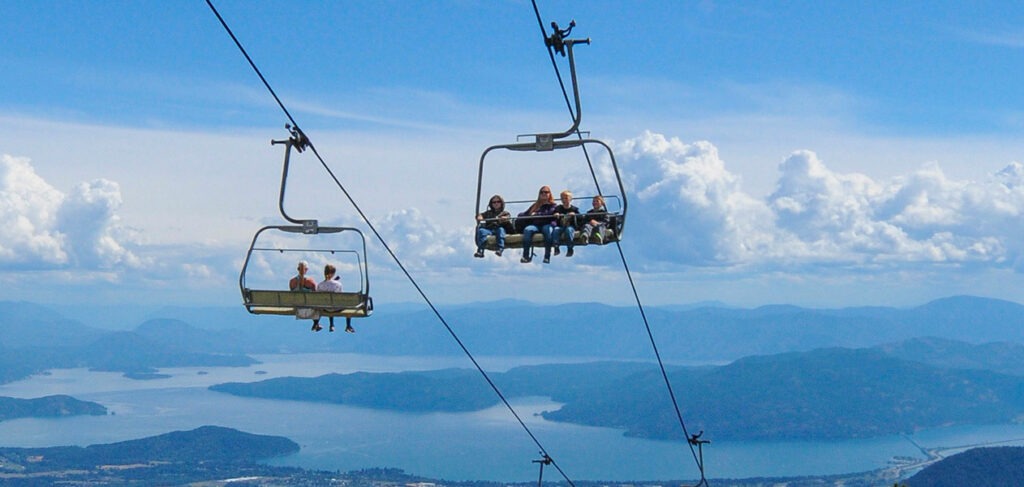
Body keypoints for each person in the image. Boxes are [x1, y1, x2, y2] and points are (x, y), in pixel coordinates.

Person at [518, 185, 558, 264]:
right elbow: (526, 214)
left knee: (548, 231)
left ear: (550, 194)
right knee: (527, 230)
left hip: (547, 224)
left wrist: (536, 214)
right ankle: (525, 256)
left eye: (546, 192)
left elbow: (549, 214)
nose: (544, 194)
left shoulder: (553, 205)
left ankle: (547, 256)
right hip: (536, 225)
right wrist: (521, 215)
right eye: (541, 192)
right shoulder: (535, 205)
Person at [314, 264, 353, 333]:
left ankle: (323, 324)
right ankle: (348, 326)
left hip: (325, 308)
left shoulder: (320, 285)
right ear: (332, 273)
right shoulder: (338, 284)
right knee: (348, 305)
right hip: (335, 308)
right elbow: (339, 297)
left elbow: (318, 298)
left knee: (328, 303)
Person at [289, 261, 319, 331]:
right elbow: (316, 295)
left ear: (298, 269)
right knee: (317, 305)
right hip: (310, 311)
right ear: (307, 270)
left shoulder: (292, 281)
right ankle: (316, 323)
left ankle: (316, 324)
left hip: (298, 310)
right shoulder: (310, 281)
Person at [551, 190, 580, 258]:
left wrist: (574, 215)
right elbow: (554, 214)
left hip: (570, 226)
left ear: (570, 199)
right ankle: (556, 246)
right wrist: (555, 214)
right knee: (556, 230)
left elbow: (580, 218)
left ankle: (570, 247)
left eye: (566, 198)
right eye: (562, 198)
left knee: (569, 230)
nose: (564, 200)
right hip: (560, 226)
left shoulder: (574, 209)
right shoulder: (558, 208)